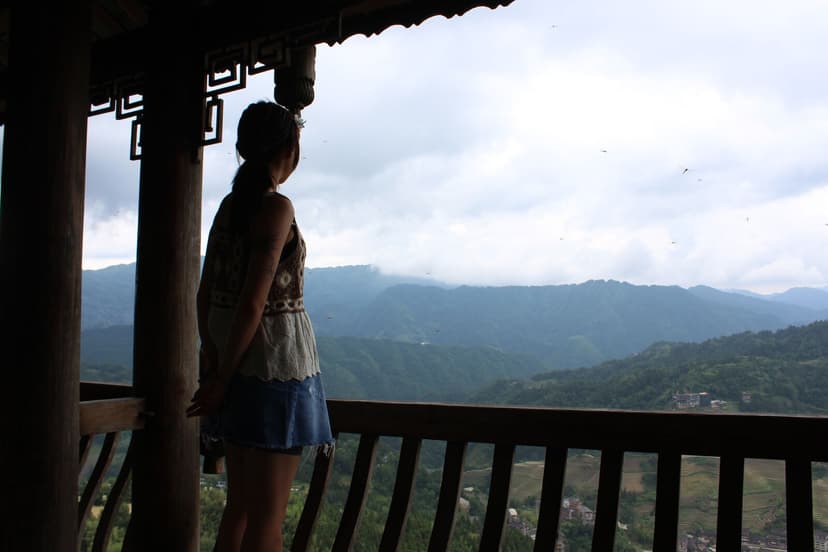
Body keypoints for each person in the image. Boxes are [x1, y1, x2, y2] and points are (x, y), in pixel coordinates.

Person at [187, 101, 334, 552]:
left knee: (240, 509)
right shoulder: (277, 208)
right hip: (275, 369)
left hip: (231, 368)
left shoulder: (229, 208)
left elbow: (205, 293)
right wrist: (221, 379)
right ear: (288, 147)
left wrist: (214, 367)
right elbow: (254, 303)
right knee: (267, 521)